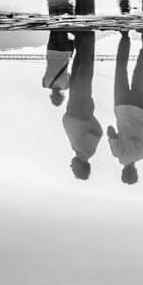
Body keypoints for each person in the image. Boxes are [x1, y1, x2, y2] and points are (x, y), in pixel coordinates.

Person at [107, 30, 143, 185]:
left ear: (135, 172)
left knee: (140, 73)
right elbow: (110, 131)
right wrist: (116, 133)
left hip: (141, 108)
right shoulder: (118, 154)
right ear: (123, 172)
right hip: (122, 106)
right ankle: (125, 36)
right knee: (121, 69)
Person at [62, 31, 102, 180]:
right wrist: (87, 114)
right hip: (80, 107)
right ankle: (87, 37)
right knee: (84, 70)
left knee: (78, 70)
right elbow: (98, 132)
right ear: (80, 167)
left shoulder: (79, 151)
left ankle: (81, 38)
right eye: (74, 169)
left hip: (75, 107)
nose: (71, 166)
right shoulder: (87, 152)